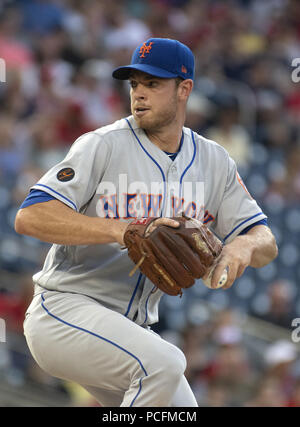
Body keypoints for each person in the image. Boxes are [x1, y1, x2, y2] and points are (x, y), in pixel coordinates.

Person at [14, 38, 278, 407]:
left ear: (184, 89)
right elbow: (30, 216)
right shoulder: (103, 144)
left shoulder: (214, 161)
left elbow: (266, 241)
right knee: (166, 363)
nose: (139, 94)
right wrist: (122, 228)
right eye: (135, 84)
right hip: (65, 311)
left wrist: (244, 244)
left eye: (153, 84)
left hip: (130, 330)